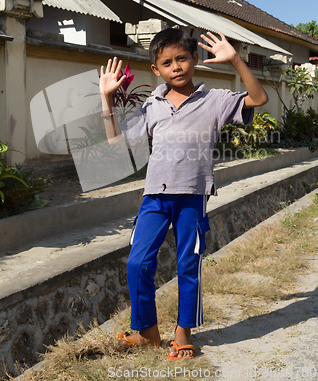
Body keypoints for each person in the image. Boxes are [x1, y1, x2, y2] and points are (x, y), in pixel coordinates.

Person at [99, 29, 268, 359]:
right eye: (167, 62)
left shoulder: (214, 100)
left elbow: (258, 99)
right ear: (156, 70)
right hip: (155, 198)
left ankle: (183, 334)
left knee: (188, 265)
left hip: (193, 197)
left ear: (194, 60)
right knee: (137, 263)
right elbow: (116, 143)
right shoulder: (151, 106)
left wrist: (235, 59)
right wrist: (106, 99)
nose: (176, 66)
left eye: (182, 58)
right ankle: (148, 333)